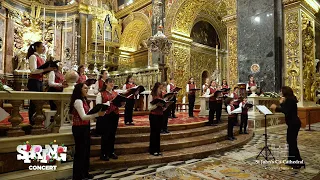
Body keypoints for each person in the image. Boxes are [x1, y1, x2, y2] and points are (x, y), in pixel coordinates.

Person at [69, 83, 105, 180]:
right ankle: (78, 176)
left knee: (86, 152)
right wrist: (97, 114)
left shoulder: (84, 100)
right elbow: (83, 117)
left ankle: (85, 173)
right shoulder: (78, 101)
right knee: (80, 152)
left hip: (85, 127)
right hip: (79, 128)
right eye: (85, 88)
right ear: (79, 89)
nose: (87, 89)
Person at [270, 86, 305, 169]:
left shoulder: (290, 100)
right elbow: (287, 109)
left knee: (292, 142)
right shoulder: (290, 99)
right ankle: (295, 160)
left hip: (293, 123)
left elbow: (286, 111)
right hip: (293, 123)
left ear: (285, 92)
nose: (280, 92)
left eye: (281, 91)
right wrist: (282, 103)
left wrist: (276, 107)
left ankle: (296, 162)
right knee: (291, 141)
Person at [27, 42, 56, 125]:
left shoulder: (41, 58)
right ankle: (32, 122)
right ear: (36, 47)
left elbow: (41, 71)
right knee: (34, 102)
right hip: (34, 81)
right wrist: (45, 69)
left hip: (39, 81)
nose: (44, 48)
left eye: (44, 47)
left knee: (39, 102)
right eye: (42, 47)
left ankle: (37, 120)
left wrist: (49, 69)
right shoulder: (33, 57)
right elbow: (33, 70)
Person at [96, 78, 120, 161]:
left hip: (115, 115)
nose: (112, 84)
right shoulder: (101, 93)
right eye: (110, 82)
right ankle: (104, 153)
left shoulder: (116, 93)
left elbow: (118, 104)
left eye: (113, 82)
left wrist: (122, 103)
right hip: (106, 116)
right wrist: (108, 103)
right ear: (106, 83)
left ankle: (111, 152)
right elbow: (98, 105)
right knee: (105, 135)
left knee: (112, 134)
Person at [149, 82, 164, 156]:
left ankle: (157, 150)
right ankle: (152, 150)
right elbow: (149, 108)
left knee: (158, 133)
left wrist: (165, 106)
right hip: (153, 115)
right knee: (154, 133)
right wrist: (156, 105)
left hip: (160, 115)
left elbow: (163, 107)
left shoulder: (161, 95)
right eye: (160, 88)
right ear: (156, 88)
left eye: (162, 88)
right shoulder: (152, 95)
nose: (161, 90)